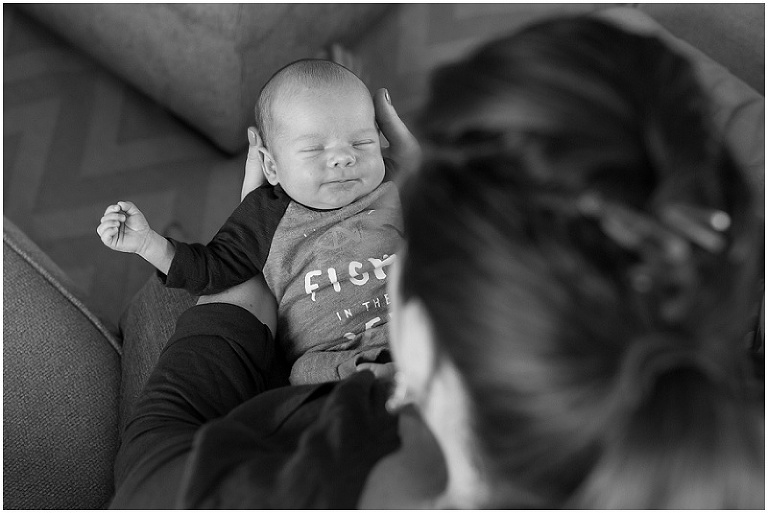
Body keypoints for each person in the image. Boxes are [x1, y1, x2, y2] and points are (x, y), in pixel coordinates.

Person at [111, 13, 764, 509]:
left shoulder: (316, 467)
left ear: (424, 324)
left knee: (153, 310)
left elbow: (146, 476)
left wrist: (238, 294)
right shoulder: (726, 398)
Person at [97, 59, 404, 385]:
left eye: (362, 143)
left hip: (419, 321)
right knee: (302, 373)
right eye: (314, 150)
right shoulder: (266, 214)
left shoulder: (398, 184)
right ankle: (380, 382)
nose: (344, 157)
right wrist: (148, 243)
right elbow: (213, 268)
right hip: (334, 356)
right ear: (271, 168)